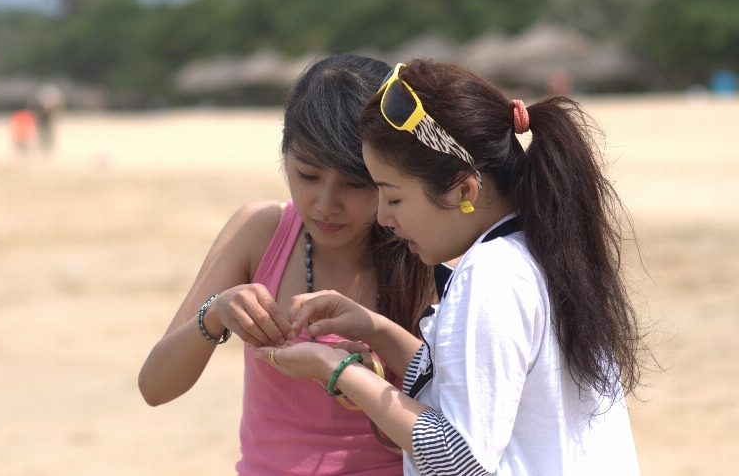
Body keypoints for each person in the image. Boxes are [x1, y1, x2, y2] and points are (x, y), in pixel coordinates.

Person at [256, 60, 646, 475]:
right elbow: (465, 391)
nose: (384, 217)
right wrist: (376, 329)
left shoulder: (490, 275)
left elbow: (459, 458)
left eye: (394, 197)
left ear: (464, 189)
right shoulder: (540, 247)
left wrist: (337, 370)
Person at [138, 55, 439, 475]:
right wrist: (218, 312)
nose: (326, 205)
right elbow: (155, 386)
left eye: (355, 184)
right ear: (285, 156)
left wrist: (357, 371)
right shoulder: (262, 231)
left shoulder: (424, 249)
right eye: (308, 176)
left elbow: (453, 427)